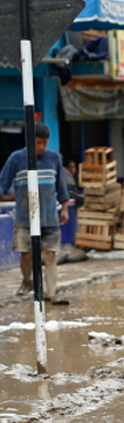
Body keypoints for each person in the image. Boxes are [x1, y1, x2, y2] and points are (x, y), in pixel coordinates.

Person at [0, 123, 71, 303]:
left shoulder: (53, 158)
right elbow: (3, 182)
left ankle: (52, 294)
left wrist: (65, 208)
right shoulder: (16, 158)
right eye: (38, 143)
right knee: (26, 253)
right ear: (31, 141)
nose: (41, 147)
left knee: (50, 254)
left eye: (44, 143)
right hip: (25, 216)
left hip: (49, 217)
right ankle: (27, 281)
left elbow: (61, 186)